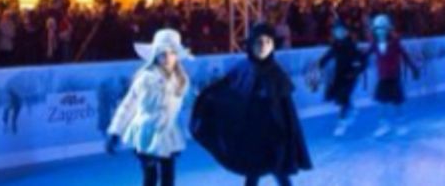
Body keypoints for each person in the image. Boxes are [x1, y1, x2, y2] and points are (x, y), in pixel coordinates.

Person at [191, 22, 312, 186]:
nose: (263, 46)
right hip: (251, 136)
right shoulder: (242, 69)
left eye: (267, 42)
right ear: (250, 45)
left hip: (274, 137)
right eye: (258, 42)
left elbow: (286, 110)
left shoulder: (277, 74)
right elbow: (224, 90)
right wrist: (207, 99)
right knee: (253, 172)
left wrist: (287, 135)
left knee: (279, 173)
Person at [106, 28, 192, 186]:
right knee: (150, 177)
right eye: (162, 53)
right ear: (155, 55)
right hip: (146, 133)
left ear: (177, 56)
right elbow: (128, 104)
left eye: (171, 53)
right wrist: (115, 131)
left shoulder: (180, 79)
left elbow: (190, 102)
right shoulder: (145, 78)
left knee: (168, 177)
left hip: (168, 134)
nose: (167, 57)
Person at [368, 14, 420, 137]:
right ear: (375, 30)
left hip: (394, 77)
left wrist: (413, 68)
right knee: (381, 102)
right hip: (382, 77)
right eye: (378, 29)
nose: (380, 32)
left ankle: (401, 124)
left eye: (383, 29)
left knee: (397, 102)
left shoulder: (395, 43)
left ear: (388, 29)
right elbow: (365, 55)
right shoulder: (375, 44)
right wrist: (357, 63)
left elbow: (405, 55)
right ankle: (384, 125)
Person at [317, 19, 367, 136]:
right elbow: (329, 54)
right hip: (340, 75)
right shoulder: (336, 45)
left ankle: (342, 122)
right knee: (338, 97)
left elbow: (362, 58)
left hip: (350, 75)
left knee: (343, 96)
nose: (338, 33)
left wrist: (357, 70)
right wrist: (321, 62)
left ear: (346, 32)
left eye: (341, 31)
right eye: (336, 31)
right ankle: (350, 110)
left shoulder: (351, 45)